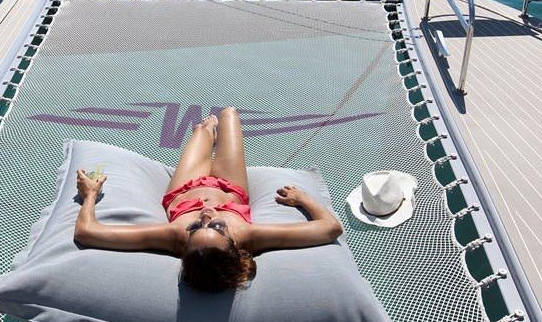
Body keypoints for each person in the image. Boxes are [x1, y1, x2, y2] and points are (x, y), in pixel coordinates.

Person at [74, 107, 343, 293]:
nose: (206, 215)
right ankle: (214, 132)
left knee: (202, 129)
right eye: (216, 227)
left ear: (185, 243)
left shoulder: (172, 235)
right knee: (229, 114)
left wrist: (90, 195)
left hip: (184, 190)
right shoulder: (248, 235)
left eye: (195, 227)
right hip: (230, 188)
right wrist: (304, 199)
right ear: (234, 247)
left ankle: (206, 133)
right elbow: (330, 228)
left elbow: (87, 233)